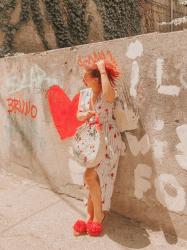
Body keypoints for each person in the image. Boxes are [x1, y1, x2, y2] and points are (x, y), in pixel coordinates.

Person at [73, 59, 126, 237]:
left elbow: (110, 98)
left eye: (86, 75)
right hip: (92, 140)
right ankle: (93, 216)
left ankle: (96, 217)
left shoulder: (106, 91)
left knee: (94, 176)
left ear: (95, 78)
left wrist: (102, 68)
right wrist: (85, 114)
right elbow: (78, 115)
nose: (83, 78)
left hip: (108, 139)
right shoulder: (85, 93)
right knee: (91, 178)